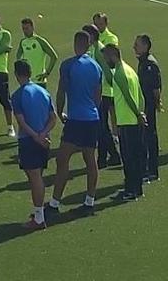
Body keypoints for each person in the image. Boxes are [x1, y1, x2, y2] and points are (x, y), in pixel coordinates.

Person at [47, 31, 103, 217]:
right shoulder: (96, 67)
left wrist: (60, 112)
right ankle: (90, 200)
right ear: (88, 45)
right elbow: (98, 96)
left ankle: (54, 203)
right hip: (92, 118)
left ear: (75, 43)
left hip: (76, 119)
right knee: (90, 160)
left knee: (62, 159)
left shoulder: (68, 65)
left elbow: (62, 91)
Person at [11, 60, 57, 230]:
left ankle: (39, 218)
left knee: (35, 178)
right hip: (44, 140)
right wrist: (43, 134)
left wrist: (36, 136)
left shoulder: (17, 95)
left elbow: (21, 122)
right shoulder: (43, 92)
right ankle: (39, 213)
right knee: (38, 176)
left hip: (29, 141)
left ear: (16, 74)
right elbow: (53, 118)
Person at [103, 45, 148, 201]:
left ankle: (130, 191)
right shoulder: (130, 71)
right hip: (134, 121)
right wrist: (141, 113)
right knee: (135, 157)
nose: (105, 61)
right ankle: (137, 189)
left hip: (127, 122)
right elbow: (140, 96)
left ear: (112, 55)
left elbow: (128, 97)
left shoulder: (120, 74)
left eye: (106, 58)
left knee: (128, 159)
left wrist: (137, 114)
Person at [82, 24, 121, 168]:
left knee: (102, 127)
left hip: (104, 93)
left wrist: (110, 87)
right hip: (100, 93)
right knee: (101, 127)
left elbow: (108, 72)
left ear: (91, 36)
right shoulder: (94, 48)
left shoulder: (99, 50)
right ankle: (103, 159)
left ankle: (114, 155)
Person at [134, 34, 162, 181]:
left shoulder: (150, 64)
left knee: (150, 137)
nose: (134, 47)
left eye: (137, 44)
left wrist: (157, 103)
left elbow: (156, 88)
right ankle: (146, 169)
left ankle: (152, 171)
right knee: (145, 137)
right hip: (144, 105)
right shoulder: (143, 61)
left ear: (145, 46)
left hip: (148, 106)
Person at [16, 18, 59, 89]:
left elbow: (54, 56)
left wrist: (47, 73)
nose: (25, 31)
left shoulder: (40, 41)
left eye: (27, 28)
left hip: (39, 81)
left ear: (32, 28)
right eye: (23, 29)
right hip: (27, 81)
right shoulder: (23, 42)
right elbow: (18, 57)